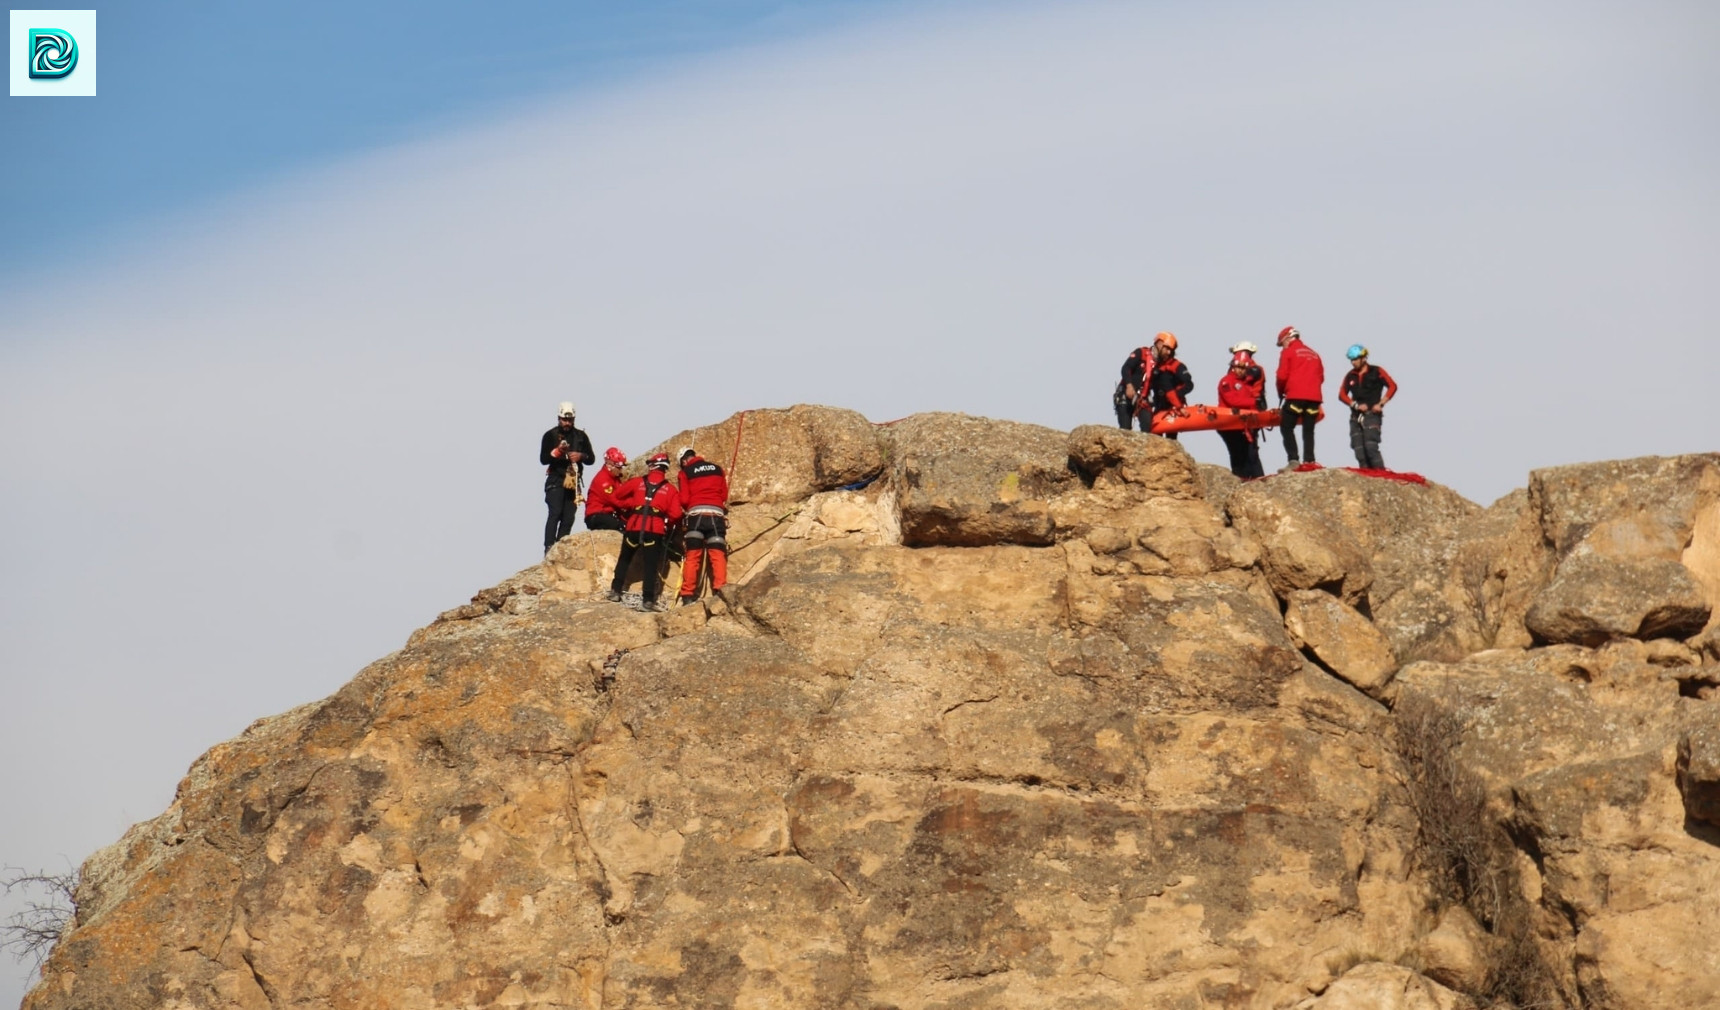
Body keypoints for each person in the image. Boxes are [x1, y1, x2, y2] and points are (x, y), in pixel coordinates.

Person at [607, 453, 684, 611]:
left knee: (624, 559)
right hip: (654, 530)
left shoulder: (637, 482)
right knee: (651, 565)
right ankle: (648, 600)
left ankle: (615, 591)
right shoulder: (670, 489)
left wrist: (634, 504)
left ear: (653, 466)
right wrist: (666, 523)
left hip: (633, 526)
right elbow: (676, 514)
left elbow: (617, 496)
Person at [674, 447, 731, 605]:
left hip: (696, 516)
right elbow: (724, 495)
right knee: (718, 554)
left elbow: (684, 499)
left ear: (684, 461)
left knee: (693, 556)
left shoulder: (685, 472)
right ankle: (720, 590)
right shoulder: (717, 469)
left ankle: (687, 594)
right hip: (716, 516)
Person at [540, 402, 595, 553]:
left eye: (570, 420)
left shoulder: (581, 437)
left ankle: (561, 547)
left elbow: (591, 458)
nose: (567, 423)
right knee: (555, 512)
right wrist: (557, 451)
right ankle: (549, 547)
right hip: (556, 480)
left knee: (568, 517)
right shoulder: (550, 435)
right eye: (564, 420)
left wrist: (581, 456)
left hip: (573, 481)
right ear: (559, 418)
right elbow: (543, 459)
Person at [1338, 345, 1399, 470]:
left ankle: (1381, 475)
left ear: (1363, 358)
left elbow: (1392, 386)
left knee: (1371, 447)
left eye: (1355, 359)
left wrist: (1381, 403)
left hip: (1372, 415)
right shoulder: (1350, 375)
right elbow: (1342, 395)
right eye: (1351, 360)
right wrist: (1354, 405)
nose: (1353, 362)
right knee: (1359, 450)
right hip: (1355, 417)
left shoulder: (1376, 371)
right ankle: (1367, 477)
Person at [1274, 326, 1324, 469]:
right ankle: (1310, 461)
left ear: (1288, 339)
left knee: (1286, 426)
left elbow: (1281, 376)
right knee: (1308, 429)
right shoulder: (1315, 354)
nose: (1281, 347)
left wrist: (1281, 392)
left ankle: (1293, 460)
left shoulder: (1288, 352)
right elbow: (1321, 376)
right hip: (1314, 399)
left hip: (1295, 396)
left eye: (1282, 343)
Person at [1216, 351, 1266, 478]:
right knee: (1238, 452)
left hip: (1243, 424)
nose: (1239, 370)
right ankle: (1241, 477)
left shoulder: (1248, 384)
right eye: (1237, 367)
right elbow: (1233, 401)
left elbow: (1253, 402)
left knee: (1251, 453)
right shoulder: (1226, 381)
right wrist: (1255, 402)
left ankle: (1256, 476)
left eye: (1243, 368)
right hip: (1229, 424)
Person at [1141, 332, 1194, 439]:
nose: (1169, 352)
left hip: (1173, 408)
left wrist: (1176, 396)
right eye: (1167, 349)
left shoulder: (1177, 366)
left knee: (1171, 438)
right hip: (1159, 407)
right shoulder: (1156, 367)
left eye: (1171, 350)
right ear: (1159, 344)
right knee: (1155, 438)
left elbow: (1189, 384)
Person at [583, 447, 629, 531]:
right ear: (609, 465)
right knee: (621, 527)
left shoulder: (615, 479)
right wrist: (632, 504)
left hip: (609, 514)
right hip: (596, 515)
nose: (621, 470)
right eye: (618, 467)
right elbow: (615, 500)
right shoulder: (603, 479)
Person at [1114, 343, 1155, 431]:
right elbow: (1126, 368)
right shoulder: (1141, 353)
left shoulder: (1161, 365)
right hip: (1126, 395)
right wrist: (1129, 385)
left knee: (1147, 426)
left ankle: (1144, 443)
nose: (1168, 352)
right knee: (1125, 428)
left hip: (1143, 398)